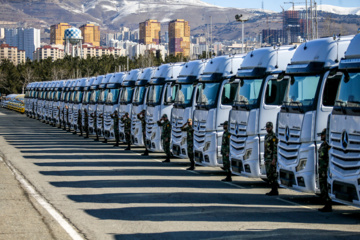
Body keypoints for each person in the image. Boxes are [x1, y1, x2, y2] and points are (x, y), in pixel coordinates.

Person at [318, 128, 332, 212]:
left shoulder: (328, 146)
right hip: (321, 169)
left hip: (325, 170)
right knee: (322, 186)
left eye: (322, 135)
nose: (321, 136)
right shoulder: (323, 145)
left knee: (325, 187)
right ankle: (326, 203)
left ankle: (328, 204)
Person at [264, 121, 279, 196]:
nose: (267, 129)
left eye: (269, 127)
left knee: (273, 174)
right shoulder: (266, 136)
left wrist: (274, 159)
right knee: (268, 174)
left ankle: (275, 190)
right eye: (266, 127)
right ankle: (272, 189)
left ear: (272, 127)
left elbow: (275, 149)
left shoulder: (274, 137)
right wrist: (265, 159)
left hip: (272, 159)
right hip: (267, 158)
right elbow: (265, 148)